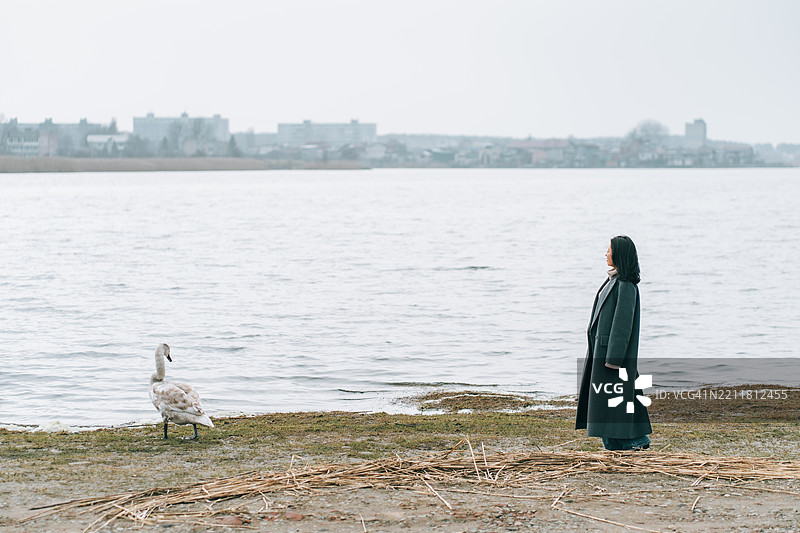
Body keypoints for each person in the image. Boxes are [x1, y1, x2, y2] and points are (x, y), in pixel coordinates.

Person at [575, 235, 652, 450]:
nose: (605, 253)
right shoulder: (614, 281)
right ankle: (622, 444)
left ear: (618, 254)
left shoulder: (626, 286)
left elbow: (622, 326)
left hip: (611, 358)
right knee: (609, 404)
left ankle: (637, 442)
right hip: (601, 353)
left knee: (613, 404)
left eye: (609, 250)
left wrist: (614, 360)